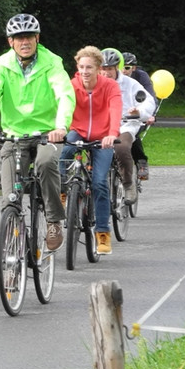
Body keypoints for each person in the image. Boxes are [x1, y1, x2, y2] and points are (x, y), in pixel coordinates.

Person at [0, 13, 75, 252]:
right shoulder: (3, 64)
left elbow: (65, 94)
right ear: (11, 42)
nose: (24, 42)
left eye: (28, 36)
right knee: (9, 196)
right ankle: (12, 240)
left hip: (46, 133)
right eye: (19, 38)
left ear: (37, 38)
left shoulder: (52, 62)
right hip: (14, 134)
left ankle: (52, 220)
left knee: (47, 162)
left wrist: (60, 126)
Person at [59, 47, 122, 254]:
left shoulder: (110, 86)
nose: (85, 71)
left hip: (103, 136)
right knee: (65, 151)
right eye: (81, 67)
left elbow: (115, 110)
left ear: (98, 69)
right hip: (78, 131)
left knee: (99, 182)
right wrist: (60, 128)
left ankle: (102, 233)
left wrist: (112, 134)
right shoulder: (72, 85)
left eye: (89, 67)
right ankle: (62, 189)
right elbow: (64, 108)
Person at [101, 49, 157, 204]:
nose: (106, 73)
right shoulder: (93, 82)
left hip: (126, 124)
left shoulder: (130, 83)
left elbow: (148, 101)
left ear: (117, 68)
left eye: (110, 69)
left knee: (122, 147)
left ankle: (128, 185)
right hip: (102, 126)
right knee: (92, 148)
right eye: (103, 69)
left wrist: (139, 111)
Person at [121, 51, 156, 179]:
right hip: (118, 115)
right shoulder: (113, 78)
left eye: (127, 67)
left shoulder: (141, 77)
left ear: (134, 68)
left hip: (137, 113)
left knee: (133, 134)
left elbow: (150, 97)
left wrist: (149, 114)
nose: (123, 71)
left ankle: (141, 161)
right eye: (120, 67)